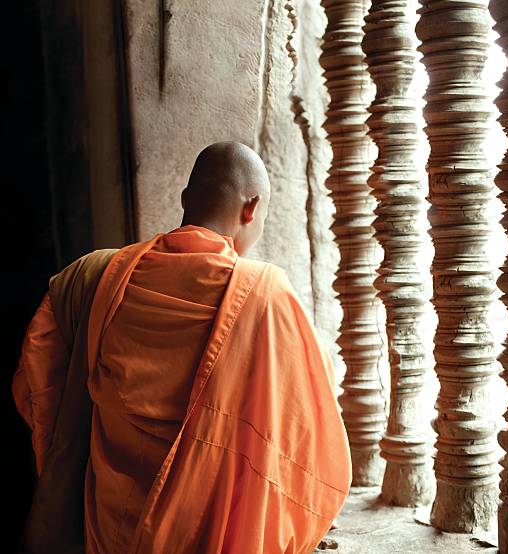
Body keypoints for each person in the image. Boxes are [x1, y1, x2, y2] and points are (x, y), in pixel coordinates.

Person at [12, 141, 352, 553]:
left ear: (186, 199)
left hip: (109, 528)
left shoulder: (96, 275)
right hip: (209, 534)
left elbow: (37, 380)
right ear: (252, 208)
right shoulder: (265, 295)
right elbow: (308, 435)